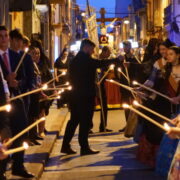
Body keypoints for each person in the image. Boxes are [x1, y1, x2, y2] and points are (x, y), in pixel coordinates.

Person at [60, 39, 121, 156]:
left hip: (76, 96)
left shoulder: (76, 60)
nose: (93, 51)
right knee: (85, 122)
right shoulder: (83, 59)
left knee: (74, 121)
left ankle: (66, 145)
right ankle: (84, 147)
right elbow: (98, 63)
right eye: (92, 49)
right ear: (86, 47)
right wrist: (116, 60)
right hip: (84, 96)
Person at [0, 25, 34, 178]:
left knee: (20, 133)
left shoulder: (18, 56)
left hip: (17, 101)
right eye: (0, 36)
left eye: (5, 36)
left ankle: (18, 166)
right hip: (2, 104)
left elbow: (28, 79)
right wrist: (6, 80)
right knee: (4, 135)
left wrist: (18, 83)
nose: (3, 39)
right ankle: (2, 169)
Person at [136, 44, 178, 168]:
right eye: (162, 50)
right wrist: (142, 89)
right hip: (164, 103)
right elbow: (152, 81)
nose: (165, 53)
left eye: (169, 52)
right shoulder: (163, 67)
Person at [97, 46, 112, 132]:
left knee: (104, 106)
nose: (109, 54)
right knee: (91, 107)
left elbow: (106, 72)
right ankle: (88, 127)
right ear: (104, 52)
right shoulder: (98, 60)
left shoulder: (105, 61)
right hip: (96, 85)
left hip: (102, 84)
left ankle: (103, 126)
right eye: (109, 53)